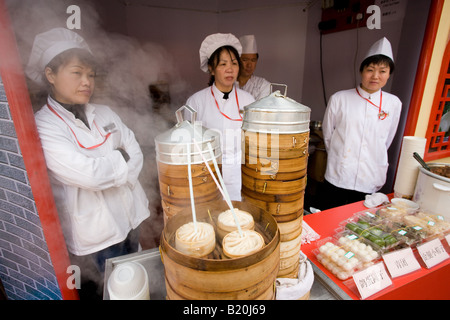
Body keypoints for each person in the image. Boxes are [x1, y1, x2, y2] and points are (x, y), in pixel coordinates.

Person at [26, 28, 150, 299]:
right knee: (104, 291)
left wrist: (112, 164)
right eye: (77, 72)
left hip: (131, 218)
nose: (87, 82)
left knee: (135, 286)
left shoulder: (104, 112)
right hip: (97, 236)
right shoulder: (43, 125)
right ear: (50, 75)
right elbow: (88, 174)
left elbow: (135, 152)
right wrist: (120, 159)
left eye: (90, 75)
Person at [321, 37, 402, 210]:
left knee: (359, 226)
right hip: (339, 174)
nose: (375, 76)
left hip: (370, 177)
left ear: (389, 74)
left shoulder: (393, 103)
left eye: (382, 71)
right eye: (370, 70)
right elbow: (328, 135)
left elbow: (387, 139)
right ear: (361, 71)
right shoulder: (340, 98)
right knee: (330, 219)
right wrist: (341, 157)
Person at [186, 33, 255, 201]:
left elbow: (253, 141)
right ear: (211, 68)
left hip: (240, 173)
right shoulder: (196, 101)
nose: (230, 69)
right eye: (223, 64)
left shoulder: (249, 101)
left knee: (236, 217)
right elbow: (188, 143)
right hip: (207, 172)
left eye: (233, 63)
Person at [237, 35, 271, 100]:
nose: (249, 65)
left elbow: (260, 109)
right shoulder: (228, 82)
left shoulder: (263, 85)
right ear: (237, 60)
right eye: (245, 60)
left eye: (253, 60)